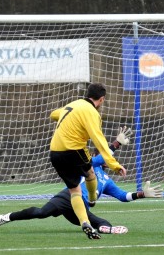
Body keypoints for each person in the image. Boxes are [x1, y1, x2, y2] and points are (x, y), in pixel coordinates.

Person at [0, 130, 162, 235]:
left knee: (102, 222)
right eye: (108, 157)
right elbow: (103, 157)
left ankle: (106, 229)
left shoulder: (107, 181)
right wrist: (116, 144)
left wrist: (142, 194)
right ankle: (8, 217)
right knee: (41, 212)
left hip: (81, 210)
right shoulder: (91, 165)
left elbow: (123, 196)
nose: (111, 159)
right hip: (68, 197)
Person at [48, 83, 127, 239]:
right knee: (90, 173)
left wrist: (68, 116)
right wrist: (114, 165)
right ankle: (92, 199)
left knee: (74, 190)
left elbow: (53, 114)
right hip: (74, 150)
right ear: (102, 99)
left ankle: (85, 222)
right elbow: (99, 140)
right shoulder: (91, 112)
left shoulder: (73, 104)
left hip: (55, 152)